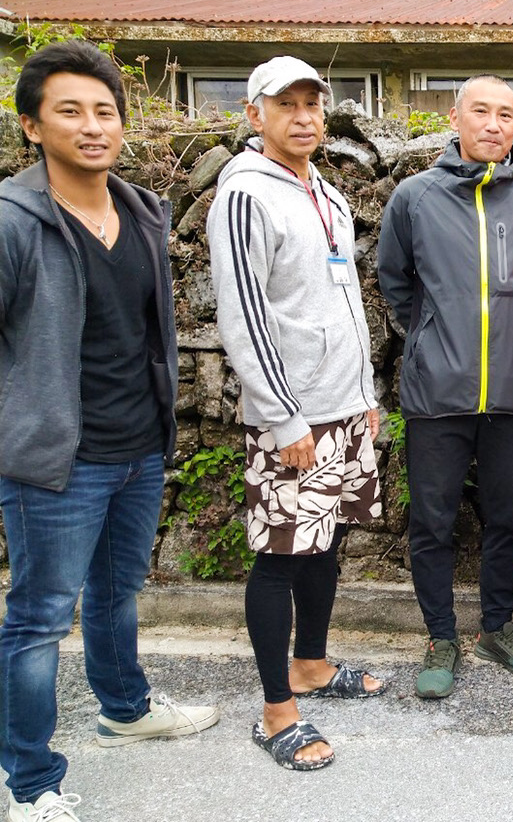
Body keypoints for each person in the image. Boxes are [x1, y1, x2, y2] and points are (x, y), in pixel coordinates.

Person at [0, 40, 219, 821]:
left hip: (137, 448)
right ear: (31, 126)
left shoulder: (140, 210)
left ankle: (124, 711)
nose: (93, 126)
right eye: (70, 111)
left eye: (105, 111)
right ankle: (28, 782)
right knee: (37, 620)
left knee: (118, 591)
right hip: (56, 462)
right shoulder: (14, 222)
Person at [207, 56, 385, 772]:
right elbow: (244, 315)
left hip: (344, 404)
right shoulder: (246, 194)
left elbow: (344, 300)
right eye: (287, 105)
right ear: (256, 115)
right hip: (296, 414)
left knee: (325, 543)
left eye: (314, 103)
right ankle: (277, 708)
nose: (305, 116)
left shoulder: (326, 193)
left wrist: (367, 394)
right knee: (280, 557)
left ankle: (310, 664)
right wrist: (284, 419)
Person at [377, 74, 513, 699]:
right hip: (436, 392)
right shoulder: (414, 197)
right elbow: (396, 282)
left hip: (512, 390)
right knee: (432, 521)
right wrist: (431, 336)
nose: (492, 124)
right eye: (480, 111)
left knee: (507, 517)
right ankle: (439, 636)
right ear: (454, 116)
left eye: (505, 114)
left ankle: (496, 627)